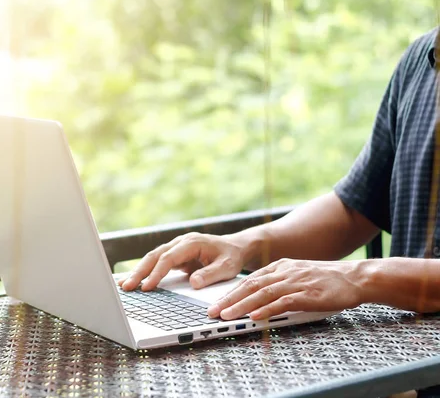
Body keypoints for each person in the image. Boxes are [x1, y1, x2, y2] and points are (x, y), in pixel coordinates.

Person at [119, 27, 440, 397]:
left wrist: (362, 276)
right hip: (412, 369)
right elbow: (356, 210)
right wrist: (244, 245)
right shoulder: (421, 59)